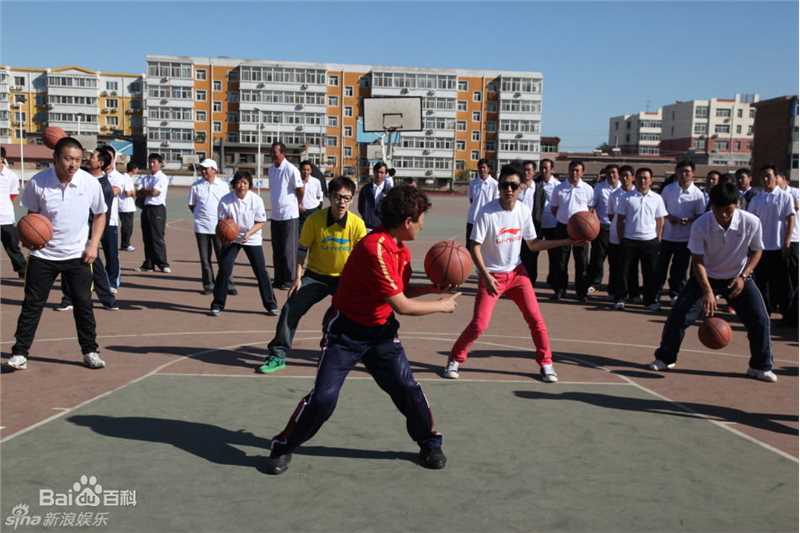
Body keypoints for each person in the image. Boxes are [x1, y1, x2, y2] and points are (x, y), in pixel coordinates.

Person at [264, 186, 460, 475]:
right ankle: (282, 446)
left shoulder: (399, 250)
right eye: (420, 219)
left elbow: (400, 290)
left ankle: (430, 442)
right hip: (346, 332)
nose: (423, 224)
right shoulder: (375, 248)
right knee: (323, 399)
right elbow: (402, 305)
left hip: (380, 333)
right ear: (407, 221)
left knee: (407, 388)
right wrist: (441, 305)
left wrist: (431, 288)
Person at [446, 165, 575, 383]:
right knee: (479, 325)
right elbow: (474, 246)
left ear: (519, 188)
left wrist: (566, 241)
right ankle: (455, 358)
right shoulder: (487, 212)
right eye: (505, 185)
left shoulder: (523, 210)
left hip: (517, 274)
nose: (509, 189)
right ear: (499, 187)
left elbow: (533, 244)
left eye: (513, 185)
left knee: (536, 320)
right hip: (492, 276)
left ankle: (546, 364)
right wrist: (485, 276)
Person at [649, 182, 777, 383]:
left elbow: (757, 251)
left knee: (760, 319)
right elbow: (697, 261)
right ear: (711, 206)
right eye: (719, 210)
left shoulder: (751, 222)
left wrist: (744, 277)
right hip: (706, 276)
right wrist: (707, 290)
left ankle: (760, 366)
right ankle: (665, 358)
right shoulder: (701, 224)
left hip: (737, 276)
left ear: (737, 205)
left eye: (729, 210)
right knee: (678, 317)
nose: (724, 215)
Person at [5, 137, 108, 371]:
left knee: (84, 305)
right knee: (32, 304)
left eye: (78, 160)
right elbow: (32, 217)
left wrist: (93, 244)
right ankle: (20, 353)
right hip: (44, 256)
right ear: (55, 158)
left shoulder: (89, 183)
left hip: (78, 255)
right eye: (68, 159)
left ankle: (90, 351)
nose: (73, 164)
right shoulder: (39, 182)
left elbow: (101, 214)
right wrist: (30, 237)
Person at [258, 177, 367, 374]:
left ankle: (339, 353)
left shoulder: (357, 224)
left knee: (346, 317)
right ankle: (278, 354)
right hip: (316, 275)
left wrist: (360, 282)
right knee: (290, 308)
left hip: (344, 278)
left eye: (346, 198)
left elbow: (363, 256)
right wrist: (298, 277)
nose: (341, 202)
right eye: (337, 197)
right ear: (329, 197)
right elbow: (302, 251)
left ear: (351, 200)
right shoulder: (314, 220)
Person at [57, 148, 118, 311]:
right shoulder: (80, 175)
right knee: (68, 263)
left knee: (94, 267)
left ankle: (107, 300)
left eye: (93, 157)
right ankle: (70, 299)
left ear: (101, 163)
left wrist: (93, 240)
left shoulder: (104, 187)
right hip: (72, 228)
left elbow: (103, 214)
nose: (89, 158)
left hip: (88, 233)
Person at [210, 171, 278, 317]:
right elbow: (222, 224)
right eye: (239, 182)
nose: (241, 186)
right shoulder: (225, 200)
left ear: (250, 185)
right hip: (232, 239)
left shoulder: (256, 200)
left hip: (251, 237)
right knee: (224, 270)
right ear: (234, 184)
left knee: (261, 271)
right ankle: (217, 304)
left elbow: (260, 222)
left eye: (245, 183)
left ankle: (271, 304)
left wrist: (249, 233)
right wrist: (226, 232)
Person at [746, 165, 795, 317]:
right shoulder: (756, 199)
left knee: (782, 283)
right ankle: (764, 311)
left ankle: (787, 314)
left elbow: (790, 219)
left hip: (778, 246)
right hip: (760, 248)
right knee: (761, 282)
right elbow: (749, 221)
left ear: (776, 177)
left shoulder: (785, 197)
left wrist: (787, 241)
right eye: (763, 176)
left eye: (769, 175)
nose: (766, 179)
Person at [616, 167, 667, 312]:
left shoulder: (657, 198)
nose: (642, 180)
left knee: (650, 273)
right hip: (629, 240)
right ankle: (621, 298)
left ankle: (650, 300)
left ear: (651, 180)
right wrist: (622, 239)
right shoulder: (626, 197)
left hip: (650, 241)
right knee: (624, 272)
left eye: (645, 178)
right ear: (635, 179)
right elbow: (620, 220)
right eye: (640, 178)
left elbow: (660, 221)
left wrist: (658, 238)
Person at [655, 160, 706, 305]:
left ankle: (675, 294)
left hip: (686, 238)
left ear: (693, 174)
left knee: (680, 269)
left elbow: (700, 216)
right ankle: (656, 294)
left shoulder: (698, 194)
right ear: (676, 173)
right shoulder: (668, 189)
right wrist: (671, 217)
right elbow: (661, 211)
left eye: (687, 172)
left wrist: (688, 220)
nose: (684, 175)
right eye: (681, 171)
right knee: (660, 268)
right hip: (667, 236)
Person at [549, 160, 594, 301]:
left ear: (582, 172)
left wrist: (585, 227)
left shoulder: (588, 189)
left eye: (577, 170)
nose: (574, 173)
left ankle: (581, 293)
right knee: (561, 261)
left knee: (581, 262)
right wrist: (565, 219)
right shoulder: (559, 188)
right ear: (568, 171)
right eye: (572, 170)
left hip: (582, 230)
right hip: (563, 227)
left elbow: (591, 210)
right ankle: (560, 290)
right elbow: (554, 208)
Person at [188, 158, 234, 295]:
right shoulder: (196, 185)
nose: (203, 171)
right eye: (202, 168)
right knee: (205, 258)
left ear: (214, 170)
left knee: (223, 257)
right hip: (201, 227)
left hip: (219, 227)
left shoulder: (223, 186)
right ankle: (208, 284)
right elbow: (191, 205)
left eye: (206, 168)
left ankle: (228, 283)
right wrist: (200, 216)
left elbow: (228, 205)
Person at [267, 142, 304, 289]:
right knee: (277, 249)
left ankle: (289, 280)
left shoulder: (291, 169)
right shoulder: (271, 170)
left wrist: (298, 204)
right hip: (275, 215)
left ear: (282, 153)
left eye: (275, 152)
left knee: (289, 249)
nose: (272, 154)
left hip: (289, 215)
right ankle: (278, 278)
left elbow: (300, 189)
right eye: (271, 152)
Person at [608, 165, 639, 309]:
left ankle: (633, 293)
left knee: (632, 267)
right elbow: (610, 215)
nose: (625, 178)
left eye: (628, 175)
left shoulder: (638, 193)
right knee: (617, 266)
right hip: (616, 236)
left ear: (633, 177)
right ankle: (616, 292)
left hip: (633, 236)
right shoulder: (614, 195)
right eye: (622, 175)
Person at [586, 164, 620, 295]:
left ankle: (613, 287)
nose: (612, 175)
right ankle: (594, 283)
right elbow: (591, 206)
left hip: (618, 228)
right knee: (598, 258)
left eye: (614, 173)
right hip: (602, 227)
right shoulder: (599, 188)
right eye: (609, 173)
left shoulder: (624, 189)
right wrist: (593, 219)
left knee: (615, 260)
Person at [136, 153, 170, 273]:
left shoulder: (162, 178)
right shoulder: (145, 178)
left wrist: (144, 191)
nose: (151, 164)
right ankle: (149, 264)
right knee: (147, 237)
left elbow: (155, 193)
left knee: (157, 237)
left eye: (154, 162)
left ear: (160, 164)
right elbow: (138, 192)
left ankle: (163, 263)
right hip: (146, 208)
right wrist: (146, 191)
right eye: (150, 162)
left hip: (157, 208)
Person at [99, 146, 123, 291]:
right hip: (93, 219)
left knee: (111, 254)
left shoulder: (118, 177)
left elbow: (114, 191)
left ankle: (112, 281)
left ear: (113, 158)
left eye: (109, 156)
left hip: (110, 220)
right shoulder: (94, 175)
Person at [0, 146, 27, 278]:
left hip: (5, 217)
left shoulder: (11, 176)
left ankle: (23, 270)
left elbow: (13, 195)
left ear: (2, 159)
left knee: (12, 247)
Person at [518, 160, 545, 283]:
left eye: (529, 170)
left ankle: (530, 282)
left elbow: (541, 208)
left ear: (534, 172)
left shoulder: (539, 189)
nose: (526, 172)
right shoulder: (517, 187)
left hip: (533, 228)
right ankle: (516, 282)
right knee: (517, 257)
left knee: (532, 258)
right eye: (524, 170)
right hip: (517, 229)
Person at [777, 172, 799, 325]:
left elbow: (796, 206)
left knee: (794, 279)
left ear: (785, 180)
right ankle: (787, 313)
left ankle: (792, 315)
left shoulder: (795, 193)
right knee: (783, 280)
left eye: (777, 181)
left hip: (794, 240)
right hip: (778, 242)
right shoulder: (773, 196)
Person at [538, 158, 561, 293]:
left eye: (546, 168)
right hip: (538, 224)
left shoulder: (558, 186)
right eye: (541, 168)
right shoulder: (536, 184)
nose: (543, 170)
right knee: (531, 255)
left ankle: (554, 282)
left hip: (553, 224)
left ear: (552, 169)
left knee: (554, 256)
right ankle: (530, 279)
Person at [465, 159, 498, 246]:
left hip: (488, 221)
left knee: (486, 248)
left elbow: (496, 203)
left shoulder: (495, 184)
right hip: (473, 220)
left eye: (484, 167)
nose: (481, 170)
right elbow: (471, 200)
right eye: (479, 168)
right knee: (470, 246)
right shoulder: (473, 183)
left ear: (488, 169)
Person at [358, 162, 392, 231]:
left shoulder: (390, 191)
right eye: (377, 172)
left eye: (382, 172)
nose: (379, 175)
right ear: (373, 172)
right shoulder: (365, 189)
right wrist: (367, 216)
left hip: (383, 228)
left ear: (386, 174)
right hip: (367, 226)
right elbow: (360, 207)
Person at [118, 162, 138, 252]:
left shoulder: (128, 178)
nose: (138, 170)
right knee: (127, 226)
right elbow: (127, 192)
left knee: (128, 226)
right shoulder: (125, 178)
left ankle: (126, 243)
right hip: (125, 207)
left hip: (129, 206)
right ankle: (125, 244)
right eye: (137, 168)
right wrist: (133, 193)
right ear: (133, 169)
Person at [298, 160, 324, 228]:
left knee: (314, 231)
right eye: (304, 169)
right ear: (300, 170)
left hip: (313, 210)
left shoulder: (316, 181)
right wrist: (298, 205)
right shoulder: (296, 181)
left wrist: (319, 207)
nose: (306, 172)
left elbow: (319, 195)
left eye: (308, 170)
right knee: (301, 232)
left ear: (311, 171)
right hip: (300, 211)